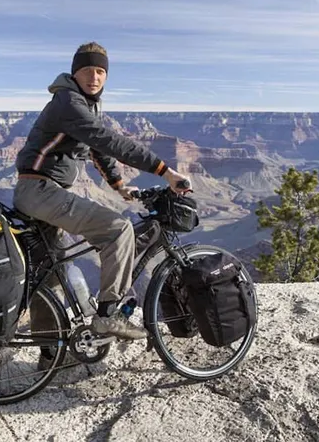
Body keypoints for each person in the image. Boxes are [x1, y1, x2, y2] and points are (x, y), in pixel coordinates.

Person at [13, 41, 191, 360]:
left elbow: (97, 151)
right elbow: (108, 141)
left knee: (51, 274)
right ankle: (109, 314)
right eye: (87, 70)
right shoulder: (68, 102)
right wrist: (165, 171)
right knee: (118, 230)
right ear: (74, 72)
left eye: (100, 71)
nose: (94, 77)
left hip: (43, 192)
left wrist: (120, 186)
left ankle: (49, 354)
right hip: (40, 190)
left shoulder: (83, 102)